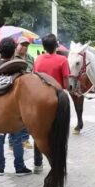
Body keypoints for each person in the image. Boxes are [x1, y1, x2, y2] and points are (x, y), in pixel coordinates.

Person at [0, 37, 32, 176]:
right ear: (13, 50)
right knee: (16, 139)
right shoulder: (19, 68)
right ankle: (19, 168)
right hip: (13, 111)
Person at [32, 33, 71, 174]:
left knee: (37, 131)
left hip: (38, 100)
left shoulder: (38, 59)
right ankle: (59, 165)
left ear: (43, 46)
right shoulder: (62, 60)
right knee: (58, 133)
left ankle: (37, 164)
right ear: (56, 46)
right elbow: (66, 84)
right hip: (57, 99)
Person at [9, 37, 34, 150]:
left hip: (27, 90)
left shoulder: (30, 58)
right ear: (17, 45)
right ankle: (11, 142)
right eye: (22, 45)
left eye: (26, 46)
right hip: (14, 90)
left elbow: (33, 71)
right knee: (13, 116)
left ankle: (25, 139)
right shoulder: (11, 57)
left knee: (26, 116)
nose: (24, 47)